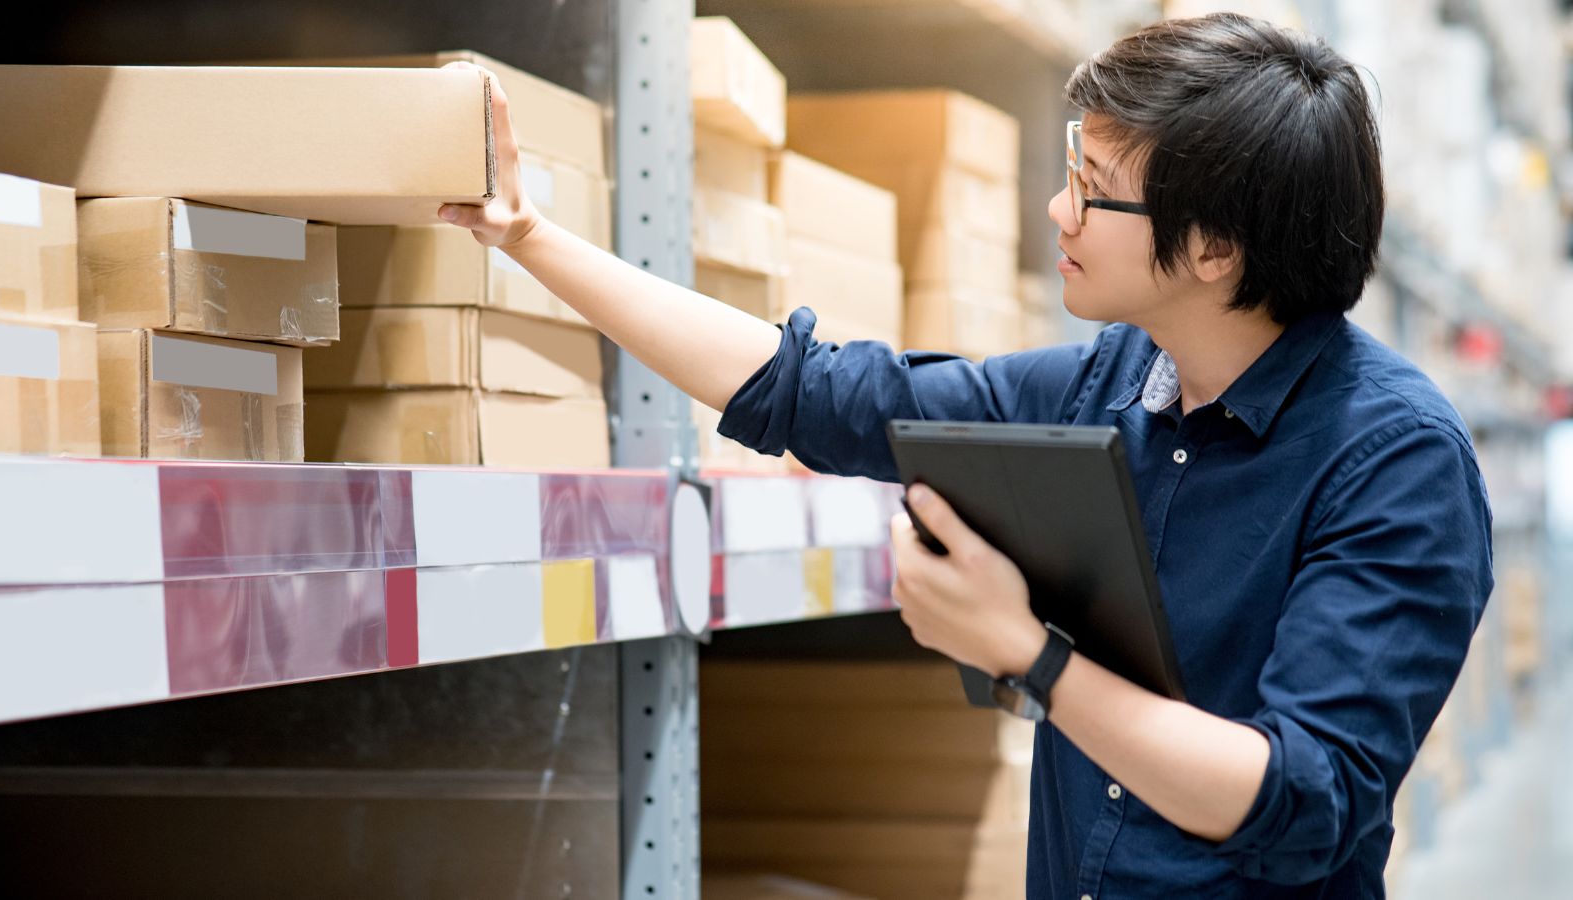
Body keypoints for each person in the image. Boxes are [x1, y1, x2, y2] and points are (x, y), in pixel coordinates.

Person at [438, 12, 1493, 898]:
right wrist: (529, 236)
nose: (1056, 209)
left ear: (1214, 247)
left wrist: (1028, 653)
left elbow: (1297, 797)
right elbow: (821, 393)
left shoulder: (1395, 463)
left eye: (1089, 185)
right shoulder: (1113, 385)